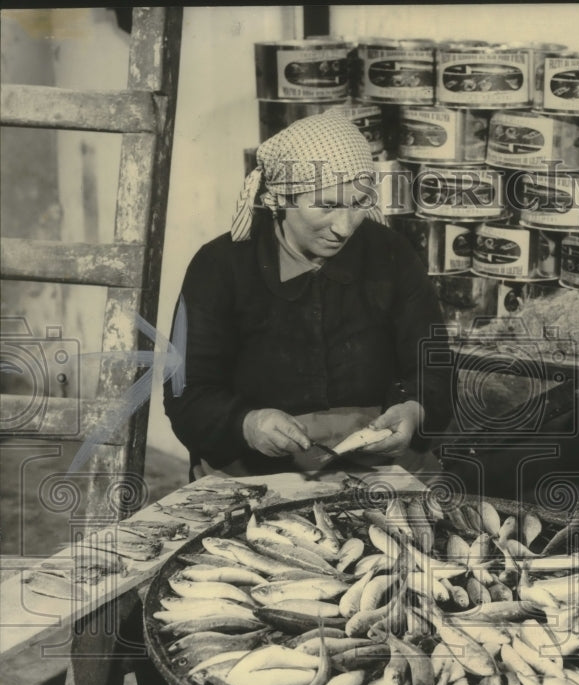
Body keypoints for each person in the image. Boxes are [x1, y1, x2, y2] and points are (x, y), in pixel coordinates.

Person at [164, 111, 452, 479]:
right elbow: (186, 394)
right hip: (255, 469)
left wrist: (415, 410)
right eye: (328, 205)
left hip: (379, 463)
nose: (345, 227)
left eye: (359, 203)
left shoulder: (391, 254)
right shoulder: (219, 267)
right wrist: (247, 423)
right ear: (281, 199)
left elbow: (433, 365)